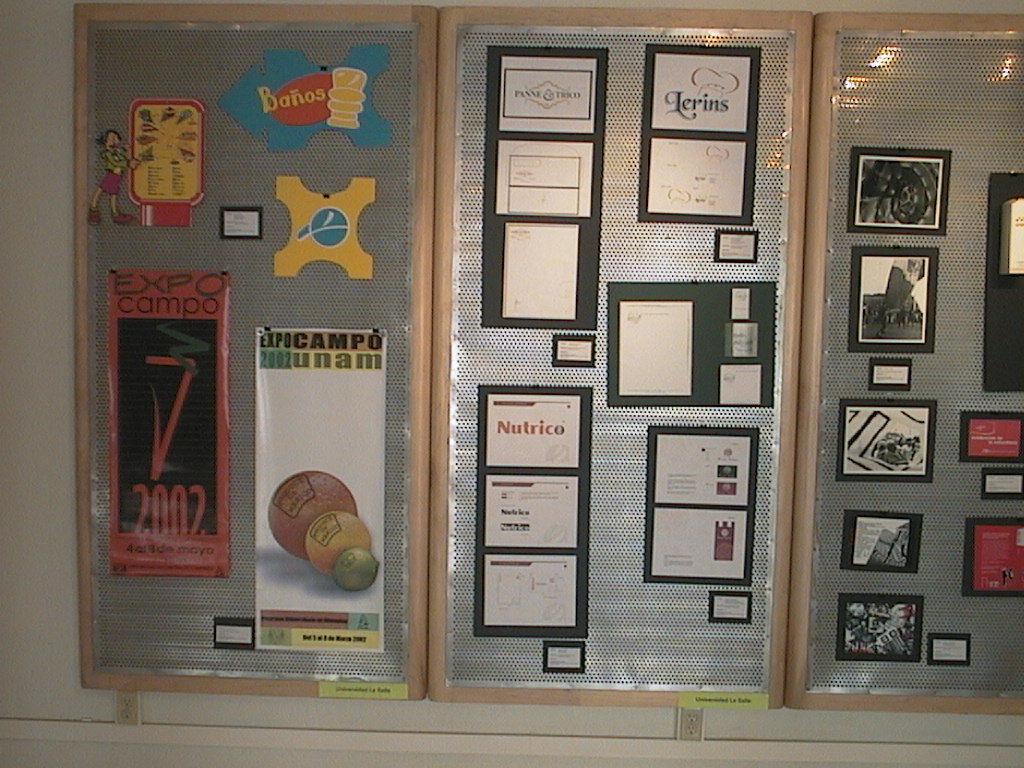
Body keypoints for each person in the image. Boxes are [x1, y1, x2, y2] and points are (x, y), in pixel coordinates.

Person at [88, 129, 137, 224]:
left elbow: (121, 156)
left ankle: (114, 214)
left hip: (117, 177)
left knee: (112, 194)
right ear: (105, 141)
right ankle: (94, 209)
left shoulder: (117, 152)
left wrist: (125, 151)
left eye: (116, 138)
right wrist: (128, 163)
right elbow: (115, 162)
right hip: (112, 175)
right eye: (111, 139)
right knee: (102, 191)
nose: (114, 141)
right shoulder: (107, 154)